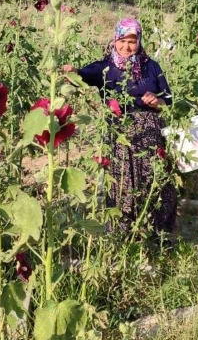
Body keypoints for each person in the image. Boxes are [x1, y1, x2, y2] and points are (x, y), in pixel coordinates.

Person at [63, 18, 177, 234]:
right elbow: (82, 75)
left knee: (154, 183)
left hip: (150, 134)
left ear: (139, 41)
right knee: (121, 186)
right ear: (115, 39)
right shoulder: (104, 67)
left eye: (132, 41)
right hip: (118, 133)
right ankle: (121, 237)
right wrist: (72, 71)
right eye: (122, 40)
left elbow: (169, 101)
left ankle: (156, 237)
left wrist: (157, 101)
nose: (126, 46)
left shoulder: (151, 67)